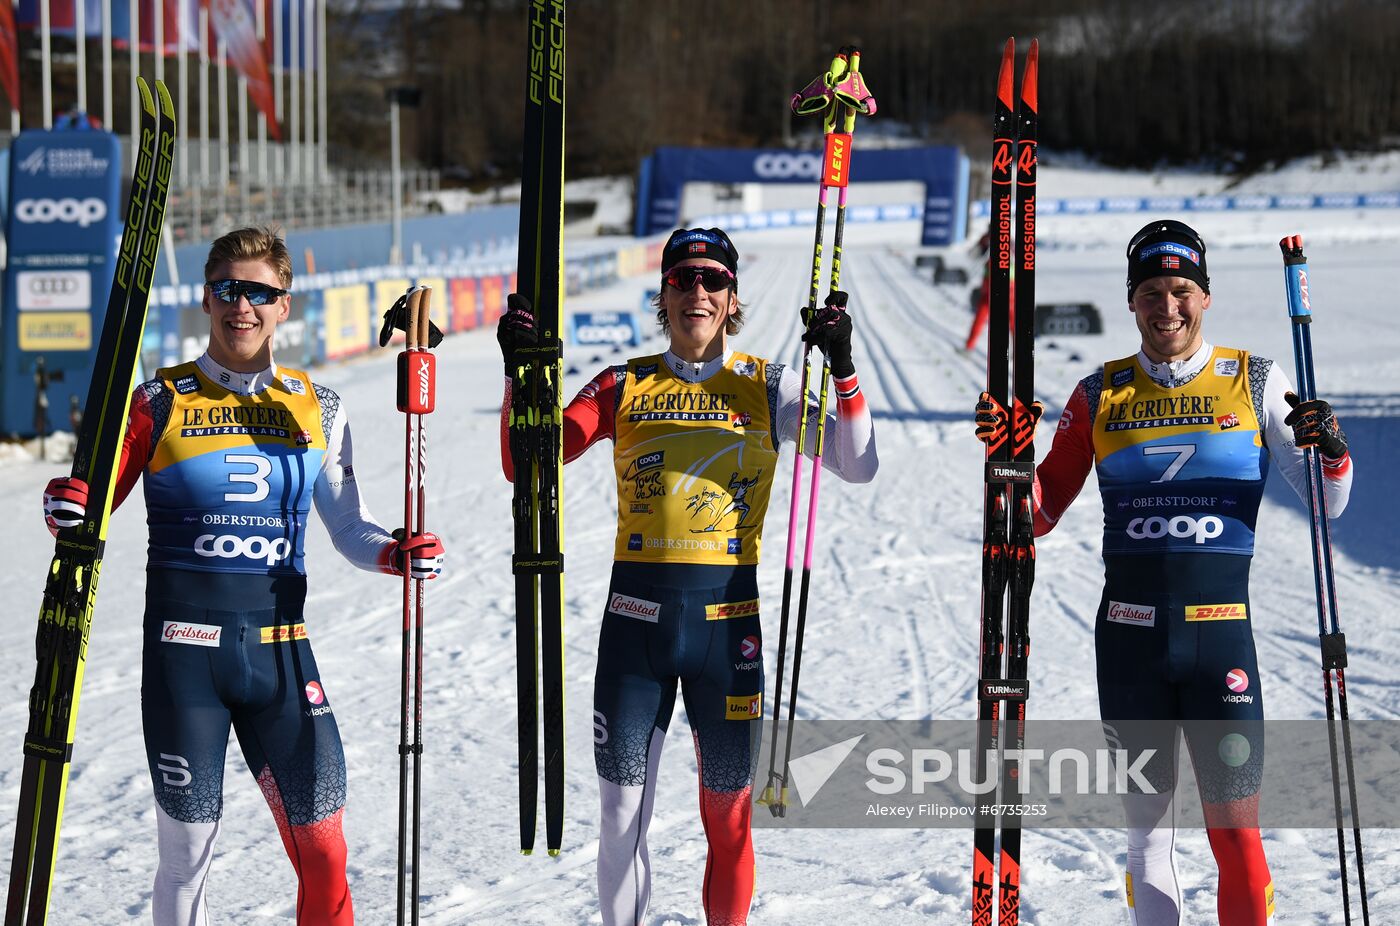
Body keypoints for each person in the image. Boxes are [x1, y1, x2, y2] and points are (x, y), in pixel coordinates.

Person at [41, 226, 445, 925]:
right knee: (187, 858)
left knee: (325, 851)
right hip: (183, 661)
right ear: (206, 297)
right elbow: (90, 501)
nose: (243, 307)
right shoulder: (158, 401)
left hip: (282, 655)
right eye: (229, 289)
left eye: (260, 292)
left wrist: (397, 553)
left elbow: (351, 527)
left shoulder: (320, 406)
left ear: (284, 305)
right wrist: (65, 504)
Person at [974, 219, 1353, 925]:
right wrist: (1008, 461)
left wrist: (1329, 447)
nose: (1167, 307)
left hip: (1221, 648)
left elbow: (1327, 505)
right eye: (1151, 292)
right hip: (1130, 646)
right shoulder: (1099, 392)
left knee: (1235, 837)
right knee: (1148, 839)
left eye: (1181, 290)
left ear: (1204, 297)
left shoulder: (1257, 379)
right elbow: (1040, 513)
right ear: (1131, 301)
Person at [497, 227, 878, 926]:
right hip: (633, 633)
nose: (696, 292)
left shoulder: (766, 383)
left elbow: (858, 463)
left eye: (711, 280)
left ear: (732, 297)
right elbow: (528, 462)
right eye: (681, 280)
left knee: (729, 820)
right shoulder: (622, 382)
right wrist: (519, 378)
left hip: (727, 638)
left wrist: (845, 366)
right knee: (618, 821)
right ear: (663, 294)